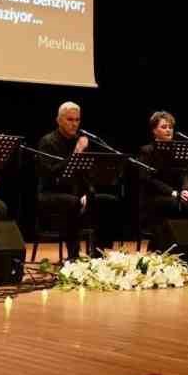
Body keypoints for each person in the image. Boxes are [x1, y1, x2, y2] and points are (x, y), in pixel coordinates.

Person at [35, 102, 120, 258]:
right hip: (51, 193)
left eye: (77, 120)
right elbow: (52, 175)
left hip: (77, 193)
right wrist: (77, 152)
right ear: (59, 120)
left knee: (109, 200)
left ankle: (98, 254)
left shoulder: (81, 140)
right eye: (70, 119)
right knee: (72, 202)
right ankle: (73, 256)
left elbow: (87, 175)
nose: (74, 124)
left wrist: (88, 193)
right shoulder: (47, 142)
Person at [136, 111, 188, 231]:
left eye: (170, 127)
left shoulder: (178, 150)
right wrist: (173, 192)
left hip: (176, 194)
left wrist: (186, 190)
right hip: (154, 196)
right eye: (164, 127)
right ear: (154, 130)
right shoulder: (147, 151)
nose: (168, 130)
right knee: (174, 204)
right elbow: (147, 178)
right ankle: (164, 242)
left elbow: (184, 173)